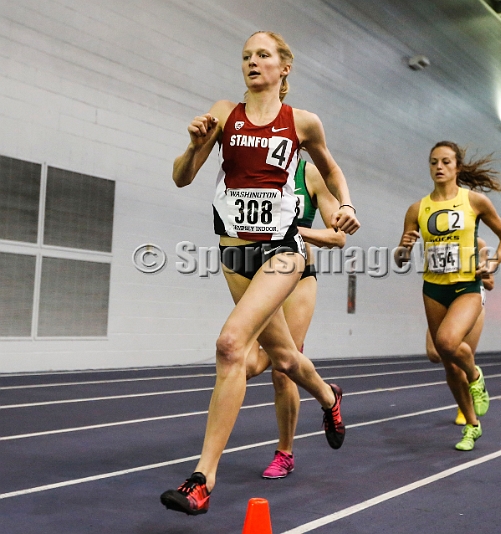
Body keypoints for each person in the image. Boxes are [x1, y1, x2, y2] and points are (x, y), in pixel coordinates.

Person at [161, 31, 360, 515]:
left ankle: (202, 479)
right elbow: (182, 176)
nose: (253, 61)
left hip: (284, 252)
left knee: (231, 345)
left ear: (283, 67)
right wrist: (192, 145)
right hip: (234, 252)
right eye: (246, 56)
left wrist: (346, 206)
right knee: (286, 360)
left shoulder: (304, 123)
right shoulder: (225, 114)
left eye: (263, 55)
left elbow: (331, 171)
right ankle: (329, 396)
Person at [395, 141, 501, 452]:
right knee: (447, 363)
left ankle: (475, 375)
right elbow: (399, 258)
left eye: (446, 161)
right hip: (433, 288)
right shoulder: (417, 209)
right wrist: (404, 248)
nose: (439, 167)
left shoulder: (474, 201)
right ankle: (472, 426)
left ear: (457, 167)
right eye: (434, 161)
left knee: (446, 343)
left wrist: (491, 263)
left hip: (466, 287)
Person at [243, 159, 345, 479]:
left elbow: (337, 236)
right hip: (259, 275)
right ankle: (328, 395)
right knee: (246, 364)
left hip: (299, 277)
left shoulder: (308, 173)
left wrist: (293, 230)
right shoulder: (252, 169)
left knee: (283, 368)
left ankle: (284, 453)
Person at [425, 236, 494, 426]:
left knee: (458, 361)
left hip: (469, 301)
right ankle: (471, 379)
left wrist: (480, 271)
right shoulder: (433, 241)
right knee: (434, 353)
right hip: (443, 304)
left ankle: (467, 409)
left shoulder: (478, 243)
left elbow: (490, 283)